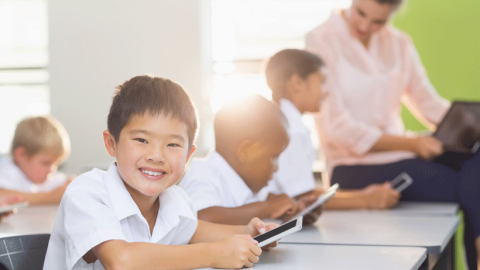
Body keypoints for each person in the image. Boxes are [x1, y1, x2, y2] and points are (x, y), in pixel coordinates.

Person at [305, 0, 480, 269]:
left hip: (404, 152)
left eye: (378, 21)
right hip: (354, 168)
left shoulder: (400, 43)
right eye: (361, 13)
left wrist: (470, 124)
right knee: (466, 182)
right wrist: (411, 144)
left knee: (477, 158)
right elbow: (336, 128)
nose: (364, 26)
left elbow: (428, 103)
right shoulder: (321, 40)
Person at [44, 75, 277, 270]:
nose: (156, 155)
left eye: (173, 144)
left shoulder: (174, 199)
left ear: (188, 155)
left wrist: (249, 233)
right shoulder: (87, 192)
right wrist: (215, 253)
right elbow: (121, 260)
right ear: (111, 143)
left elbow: (194, 230)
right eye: (142, 140)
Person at [265, 49, 400, 211]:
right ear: (298, 83)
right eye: (321, 82)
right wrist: (366, 199)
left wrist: (365, 195)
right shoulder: (291, 129)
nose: (326, 91)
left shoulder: (283, 121)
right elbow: (302, 196)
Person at [180, 95, 313, 225]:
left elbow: (269, 199)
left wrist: (291, 208)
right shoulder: (203, 176)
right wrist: (267, 207)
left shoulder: (247, 182)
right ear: (245, 152)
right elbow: (200, 219)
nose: (277, 167)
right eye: (274, 157)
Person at [0, 116, 72, 205]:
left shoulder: (43, 177)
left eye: (56, 164)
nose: (51, 170)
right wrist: (51, 196)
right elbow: (2, 195)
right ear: (21, 155)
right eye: (46, 163)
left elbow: (71, 182)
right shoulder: (7, 171)